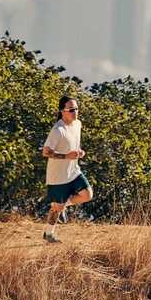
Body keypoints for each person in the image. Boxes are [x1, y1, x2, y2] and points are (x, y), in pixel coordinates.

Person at [42, 96, 93, 243]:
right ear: (62, 111)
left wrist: (79, 152)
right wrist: (66, 156)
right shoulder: (58, 130)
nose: (75, 112)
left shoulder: (77, 124)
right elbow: (45, 152)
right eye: (71, 110)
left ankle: (64, 205)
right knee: (56, 209)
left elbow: (73, 145)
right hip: (58, 177)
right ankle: (49, 234)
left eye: (76, 109)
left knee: (87, 194)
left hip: (73, 171)